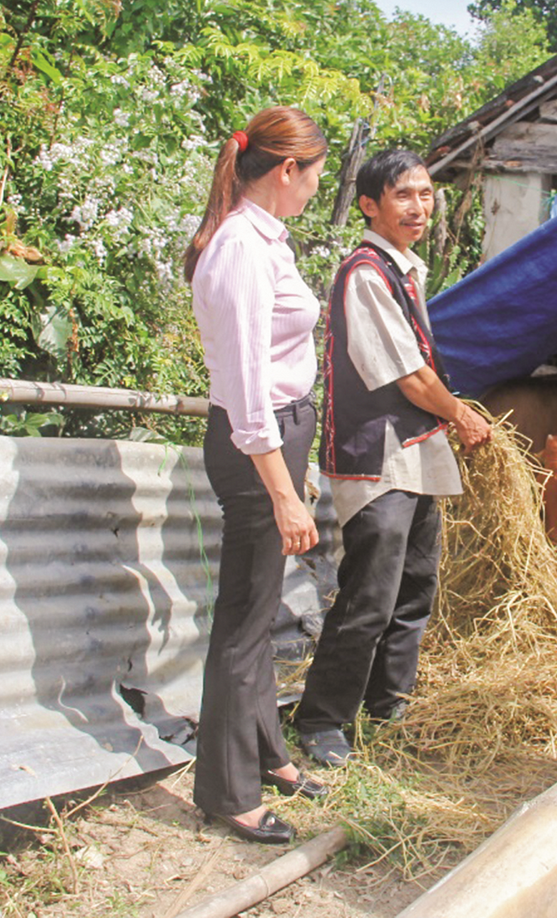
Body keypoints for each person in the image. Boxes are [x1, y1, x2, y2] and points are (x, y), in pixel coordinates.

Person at [293, 147, 492, 768]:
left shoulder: (404, 270)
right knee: (368, 597)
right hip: (377, 459)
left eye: (426, 194)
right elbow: (407, 376)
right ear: (369, 207)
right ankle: (322, 721)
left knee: (414, 588)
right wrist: (460, 414)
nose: (419, 207)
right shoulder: (365, 273)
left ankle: (388, 710)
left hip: (415, 454)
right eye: (403, 196)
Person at [187, 107, 331, 847]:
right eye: (314, 176)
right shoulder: (242, 248)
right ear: (285, 171)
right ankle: (225, 791)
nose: (314, 190)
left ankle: (267, 754)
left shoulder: (259, 240)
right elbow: (246, 391)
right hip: (256, 450)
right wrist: (281, 488)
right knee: (244, 626)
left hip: (276, 443)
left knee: (263, 607)